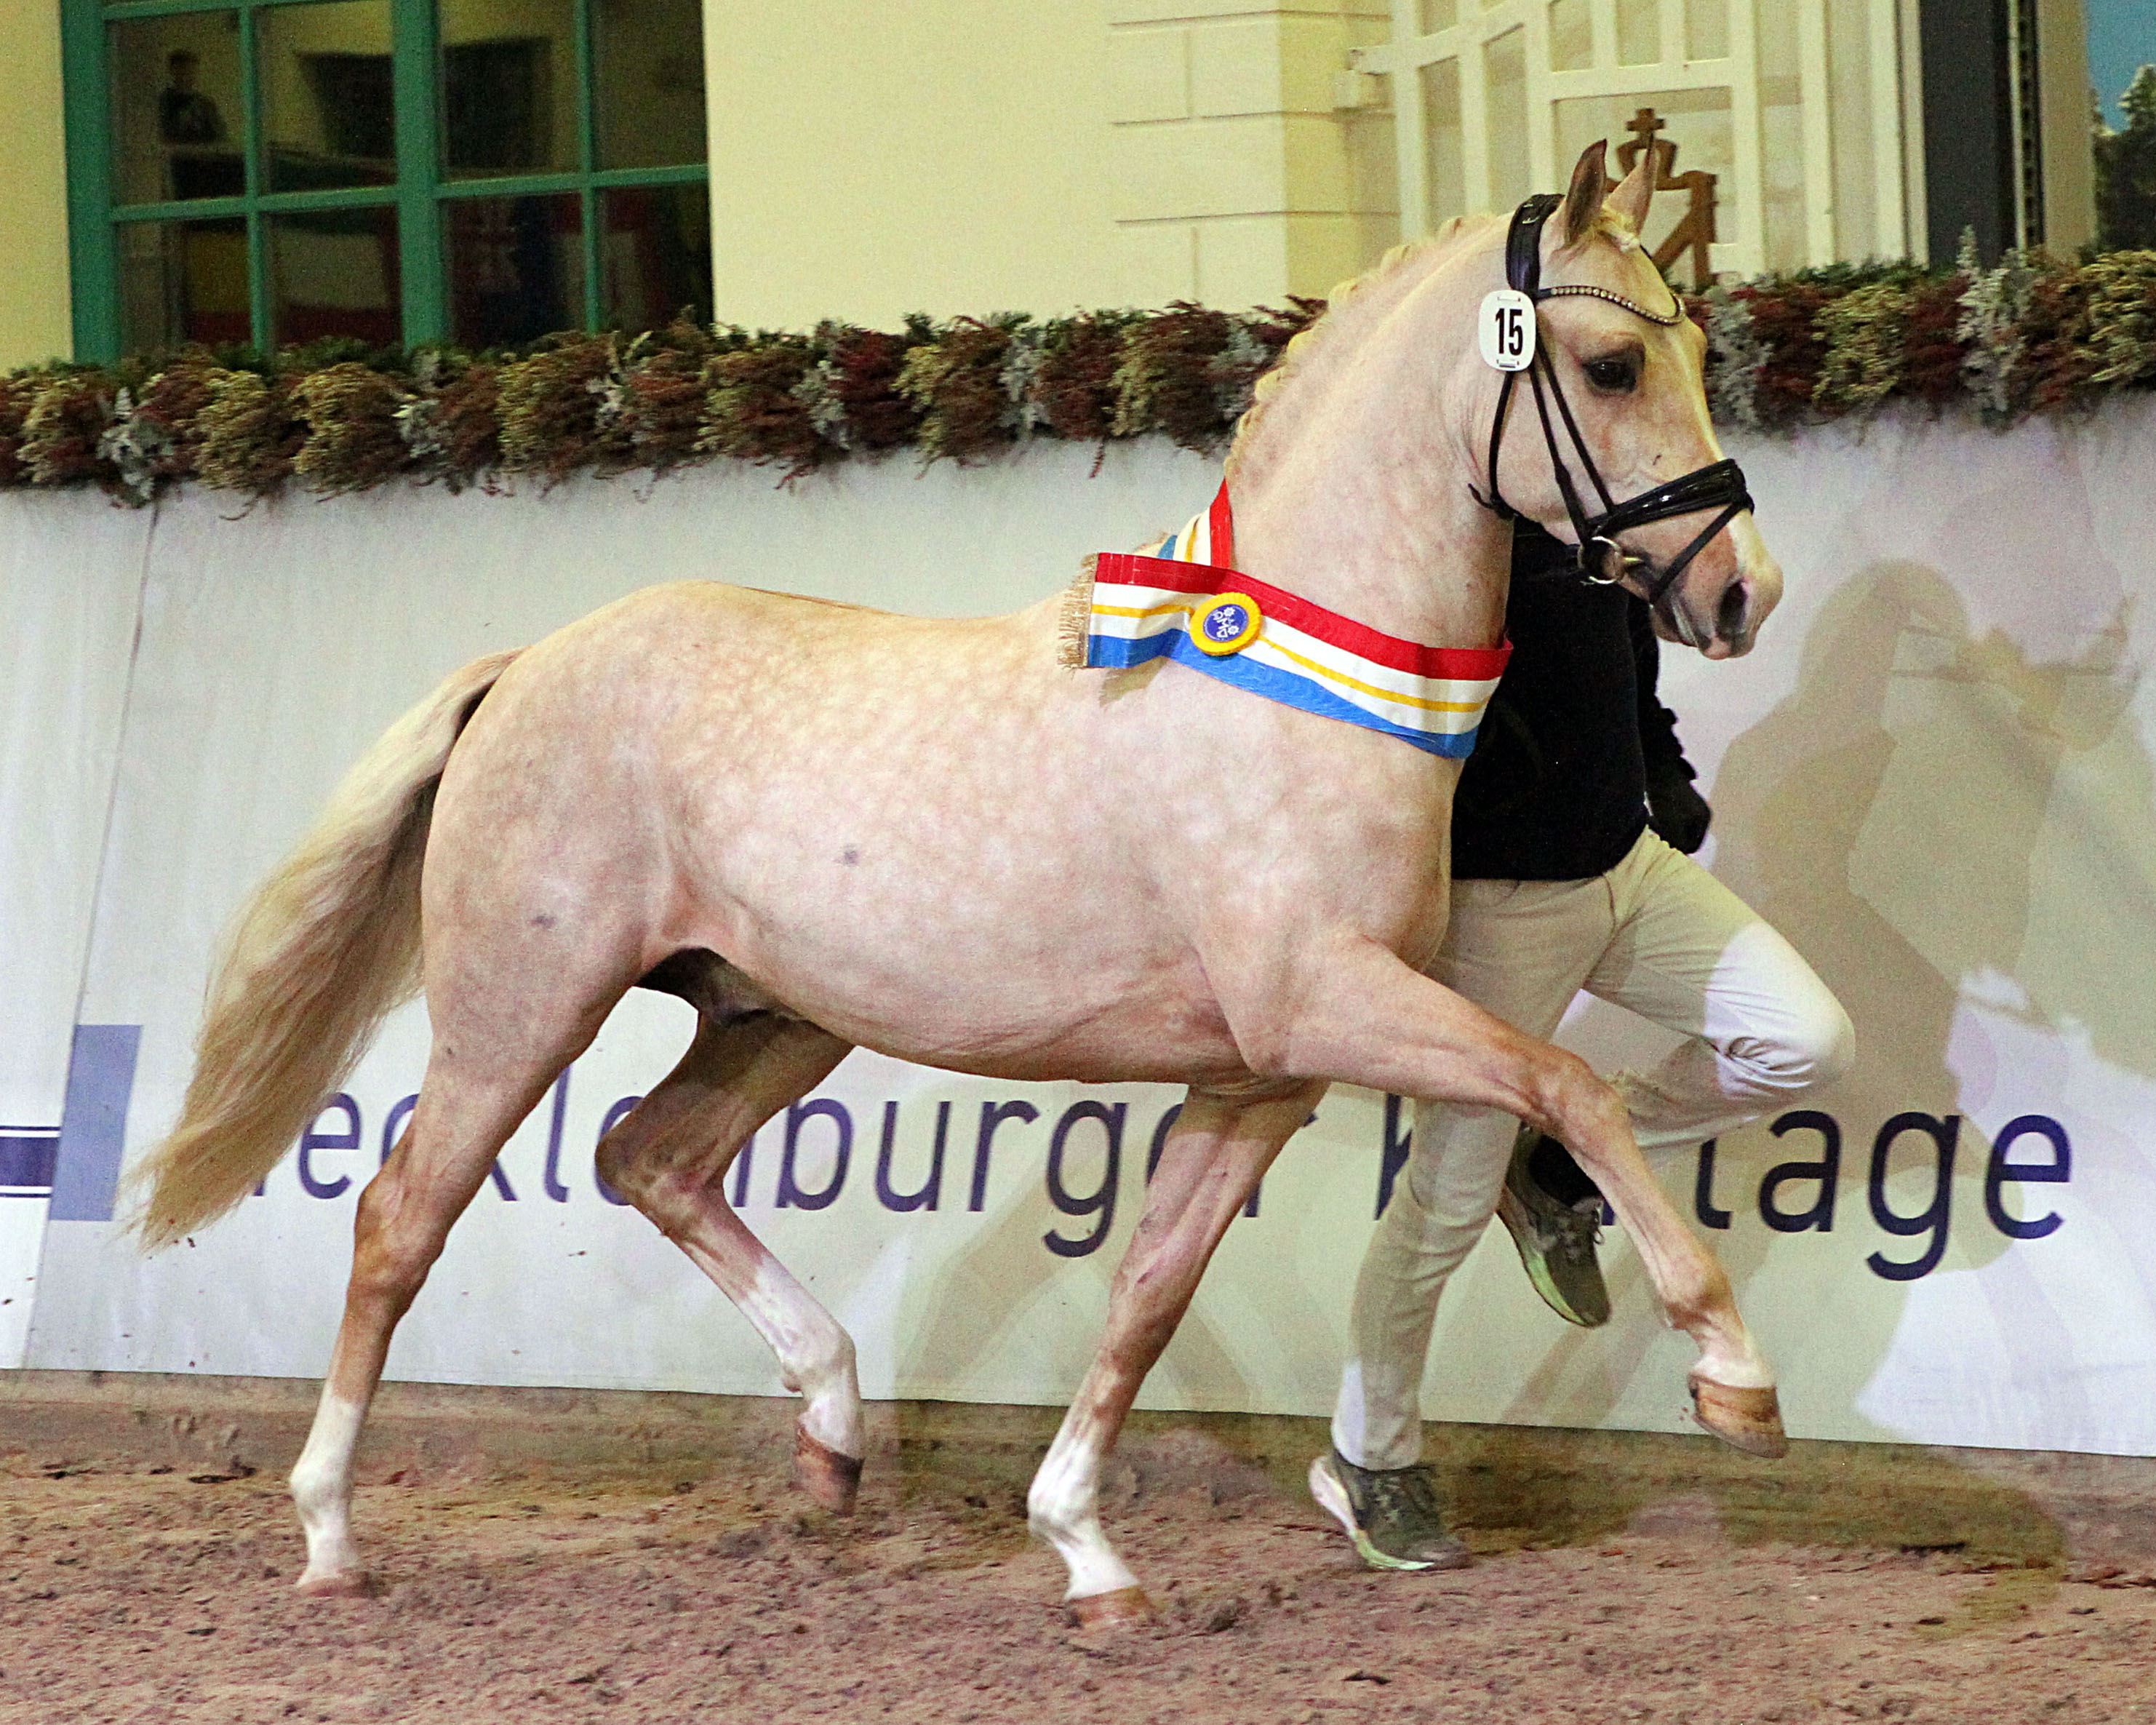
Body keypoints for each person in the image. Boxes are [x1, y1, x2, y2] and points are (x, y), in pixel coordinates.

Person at [1310, 520, 1855, 1572]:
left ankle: (1557, 1155)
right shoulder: (1454, 531)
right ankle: (1366, 1458)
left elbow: (1628, 668)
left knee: (1806, 1040)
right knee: (1444, 1210)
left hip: (1628, 867)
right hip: (1501, 902)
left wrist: (1662, 766)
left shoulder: (1598, 512)